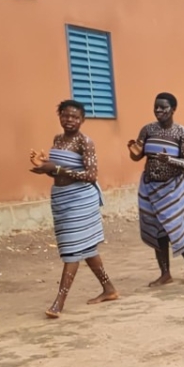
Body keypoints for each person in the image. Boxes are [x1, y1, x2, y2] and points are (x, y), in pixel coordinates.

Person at [30, 100, 118, 319]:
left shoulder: (84, 142)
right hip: (61, 198)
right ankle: (109, 289)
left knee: (72, 249)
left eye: (75, 117)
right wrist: (44, 167)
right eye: (65, 116)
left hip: (81, 199)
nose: (69, 120)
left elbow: (91, 175)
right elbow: (58, 172)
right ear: (59, 116)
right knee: (85, 248)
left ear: (82, 120)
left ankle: (59, 302)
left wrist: (56, 167)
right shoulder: (57, 140)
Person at [128, 92, 184, 286]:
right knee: (157, 229)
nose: (158, 110)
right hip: (150, 186)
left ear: (173, 110)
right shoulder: (147, 130)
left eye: (163, 107)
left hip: (174, 188)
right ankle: (165, 273)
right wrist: (133, 151)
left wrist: (170, 160)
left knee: (173, 225)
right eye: (156, 107)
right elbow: (137, 156)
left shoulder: (182, 133)